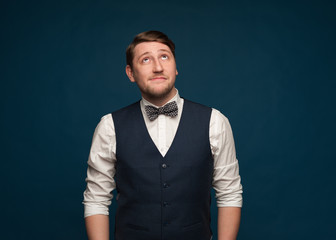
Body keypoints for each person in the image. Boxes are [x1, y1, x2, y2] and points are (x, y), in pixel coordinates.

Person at [83, 30, 243, 240]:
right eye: (146, 59)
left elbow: (229, 193)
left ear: (176, 67)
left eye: (164, 56)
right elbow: (96, 199)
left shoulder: (215, 121)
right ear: (130, 73)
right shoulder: (109, 126)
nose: (158, 67)